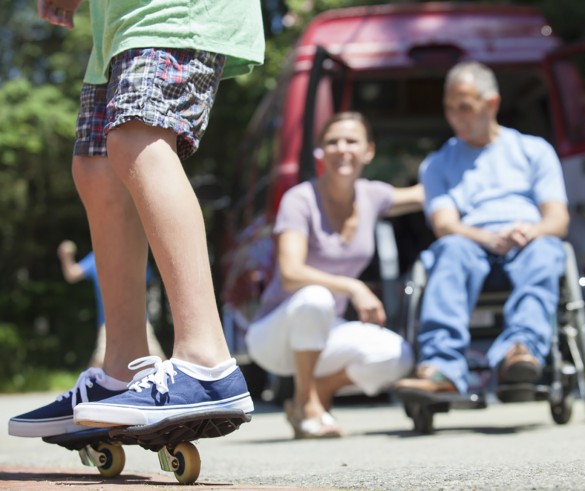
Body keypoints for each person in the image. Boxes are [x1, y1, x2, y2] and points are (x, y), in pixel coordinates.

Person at [8, 0, 264, 438]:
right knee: (96, 168)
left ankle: (207, 364)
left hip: (169, 11)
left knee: (137, 135)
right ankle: (120, 375)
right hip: (116, 24)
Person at [240, 112, 422, 438]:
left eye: (351, 141)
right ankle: (307, 407)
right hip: (274, 335)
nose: (342, 148)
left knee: (397, 355)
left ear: (368, 151)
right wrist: (353, 287)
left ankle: (313, 392)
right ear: (321, 151)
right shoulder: (300, 199)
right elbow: (291, 272)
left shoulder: (372, 196)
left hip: (323, 332)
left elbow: (425, 194)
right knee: (315, 297)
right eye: (332, 141)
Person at [395, 61, 570, 395]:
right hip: (470, 243)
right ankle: (441, 367)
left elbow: (557, 219)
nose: (456, 117)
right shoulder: (437, 164)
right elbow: (445, 224)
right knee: (448, 249)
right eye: (449, 108)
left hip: (526, 240)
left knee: (548, 249)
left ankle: (520, 350)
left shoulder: (534, 151)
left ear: (492, 104)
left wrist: (530, 232)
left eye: (465, 107)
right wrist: (489, 238)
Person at [57, 240, 166, 367]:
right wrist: (66, 256)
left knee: (156, 355)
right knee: (100, 358)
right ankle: (91, 385)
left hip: (138, 318)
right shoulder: (95, 257)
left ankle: (173, 383)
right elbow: (72, 274)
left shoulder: (134, 254)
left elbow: (146, 282)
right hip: (108, 321)